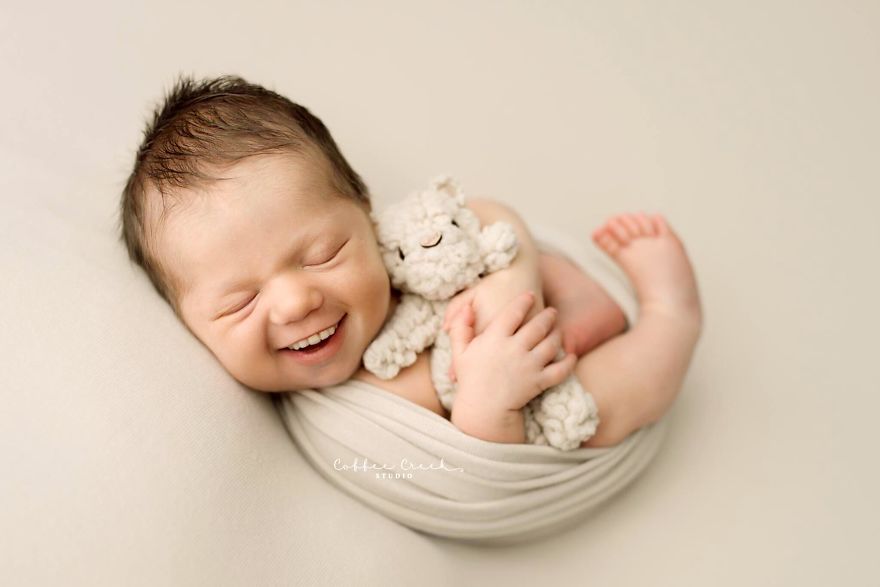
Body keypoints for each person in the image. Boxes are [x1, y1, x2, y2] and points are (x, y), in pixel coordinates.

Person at [119, 74, 702, 448]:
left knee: (492, 233)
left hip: (524, 317)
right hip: (547, 401)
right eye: (241, 301)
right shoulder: (351, 421)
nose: (297, 301)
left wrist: (506, 305)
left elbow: (485, 213)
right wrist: (486, 402)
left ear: (365, 212)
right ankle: (669, 315)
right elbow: (476, 479)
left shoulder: (406, 248)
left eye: (324, 253)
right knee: (606, 406)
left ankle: (577, 304)